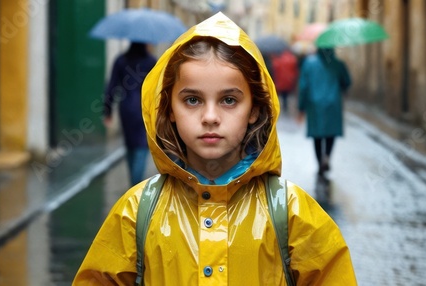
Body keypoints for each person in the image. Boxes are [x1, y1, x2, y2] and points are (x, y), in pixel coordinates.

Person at [73, 13, 356, 285]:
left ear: (255, 109)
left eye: (229, 100)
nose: (210, 117)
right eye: (193, 100)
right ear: (169, 107)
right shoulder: (135, 214)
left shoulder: (293, 215)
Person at [103, 42, 157, 186]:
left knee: (130, 144)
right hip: (143, 107)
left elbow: (111, 86)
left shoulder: (121, 60)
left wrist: (107, 110)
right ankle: (136, 184)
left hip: (125, 107)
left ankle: (133, 183)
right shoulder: (151, 61)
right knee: (142, 145)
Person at [297, 47, 351, 177]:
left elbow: (303, 87)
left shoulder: (309, 64)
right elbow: (347, 82)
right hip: (333, 103)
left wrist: (301, 108)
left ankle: (320, 161)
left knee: (317, 135)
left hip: (314, 104)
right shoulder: (338, 64)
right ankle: (327, 156)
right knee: (330, 133)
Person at [271, 49, 299, 113]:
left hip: (281, 80)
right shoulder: (293, 59)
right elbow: (295, 70)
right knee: (286, 94)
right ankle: (285, 105)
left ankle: (282, 105)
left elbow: (275, 69)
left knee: (282, 94)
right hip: (289, 80)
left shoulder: (279, 60)